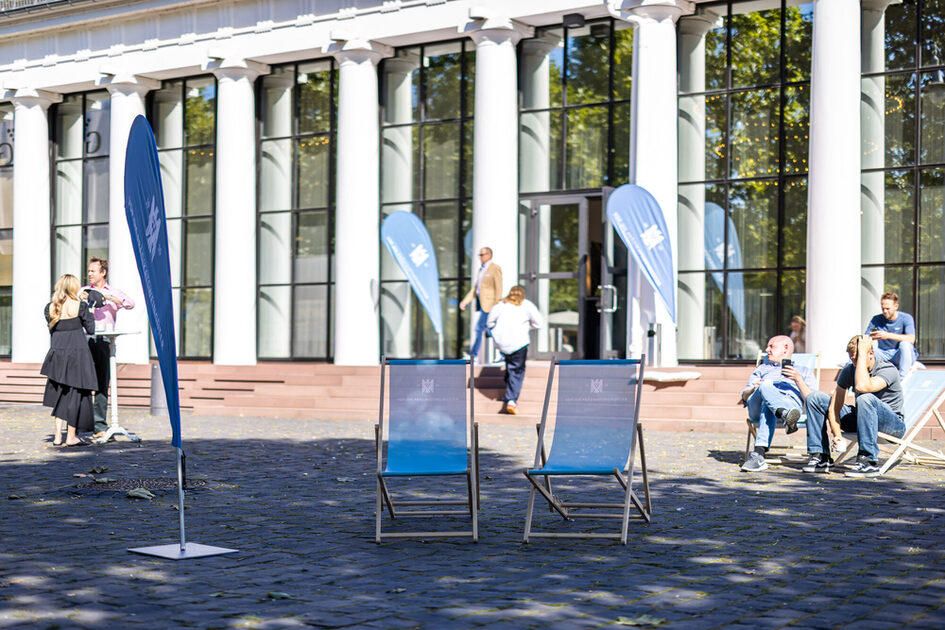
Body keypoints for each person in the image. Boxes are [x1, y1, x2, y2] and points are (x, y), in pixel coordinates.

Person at [804, 334, 904, 477]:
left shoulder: (887, 369)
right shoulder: (850, 369)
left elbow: (863, 386)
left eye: (857, 358)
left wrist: (862, 353)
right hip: (861, 419)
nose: (855, 363)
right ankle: (821, 456)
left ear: (870, 353)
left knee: (864, 398)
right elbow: (834, 407)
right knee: (815, 398)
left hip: (892, 426)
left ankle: (868, 461)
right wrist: (837, 435)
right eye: (852, 358)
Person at [740, 335, 818, 472]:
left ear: (785, 348)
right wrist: (755, 388)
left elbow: (813, 400)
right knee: (766, 387)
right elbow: (745, 397)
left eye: (771, 346)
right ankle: (785, 415)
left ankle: (758, 454)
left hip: (789, 403)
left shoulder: (803, 371)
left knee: (768, 405)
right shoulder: (762, 369)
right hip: (757, 404)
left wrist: (798, 379)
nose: (766, 349)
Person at [41, 274, 99, 447]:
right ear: (74, 287)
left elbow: (52, 331)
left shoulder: (50, 308)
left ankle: (58, 436)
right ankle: (71, 436)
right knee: (75, 394)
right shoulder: (80, 306)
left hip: (57, 354)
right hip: (77, 354)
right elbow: (90, 329)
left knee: (60, 394)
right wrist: (90, 309)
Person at [81, 256, 135, 440]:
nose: (89, 274)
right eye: (88, 271)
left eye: (92, 271)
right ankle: (81, 425)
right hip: (85, 341)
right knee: (82, 383)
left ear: (103, 272)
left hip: (105, 341)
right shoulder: (84, 291)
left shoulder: (113, 291)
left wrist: (109, 297)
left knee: (102, 384)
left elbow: (130, 303)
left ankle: (100, 427)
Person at [486, 286, 543, 415]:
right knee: (517, 370)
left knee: (510, 365)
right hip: (519, 342)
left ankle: (508, 393)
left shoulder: (500, 305)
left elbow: (489, 323)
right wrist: (526, 327)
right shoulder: (527, 305)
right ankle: (511, 400)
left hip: (502, 343)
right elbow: (539, 323)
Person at [460, 247, 502, 361]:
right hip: (481, 304)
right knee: (489, 330)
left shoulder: (495, 269)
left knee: (479, 328)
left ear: (489, 255)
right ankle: (502, 353)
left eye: (482, 255)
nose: (480, 257)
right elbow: (475, 289)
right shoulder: (481, 270)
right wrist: (465, 301)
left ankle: (474, 355)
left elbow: (498, 288)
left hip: (490, 305)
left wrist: (497, 304)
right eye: (479, 255)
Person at [865, 291, 918, 381]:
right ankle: (851, 371)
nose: (885, 311)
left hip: (899, 354)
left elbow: (911, 339)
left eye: (888, 309)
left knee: (905, 344)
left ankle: (902, 379)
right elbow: (866, 337)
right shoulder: (877, 319)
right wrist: (873, 335)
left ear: (896, 306)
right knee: (865, 348)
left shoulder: (906, 318)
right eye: (883, 309)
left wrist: (887, 335)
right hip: (884, 354)